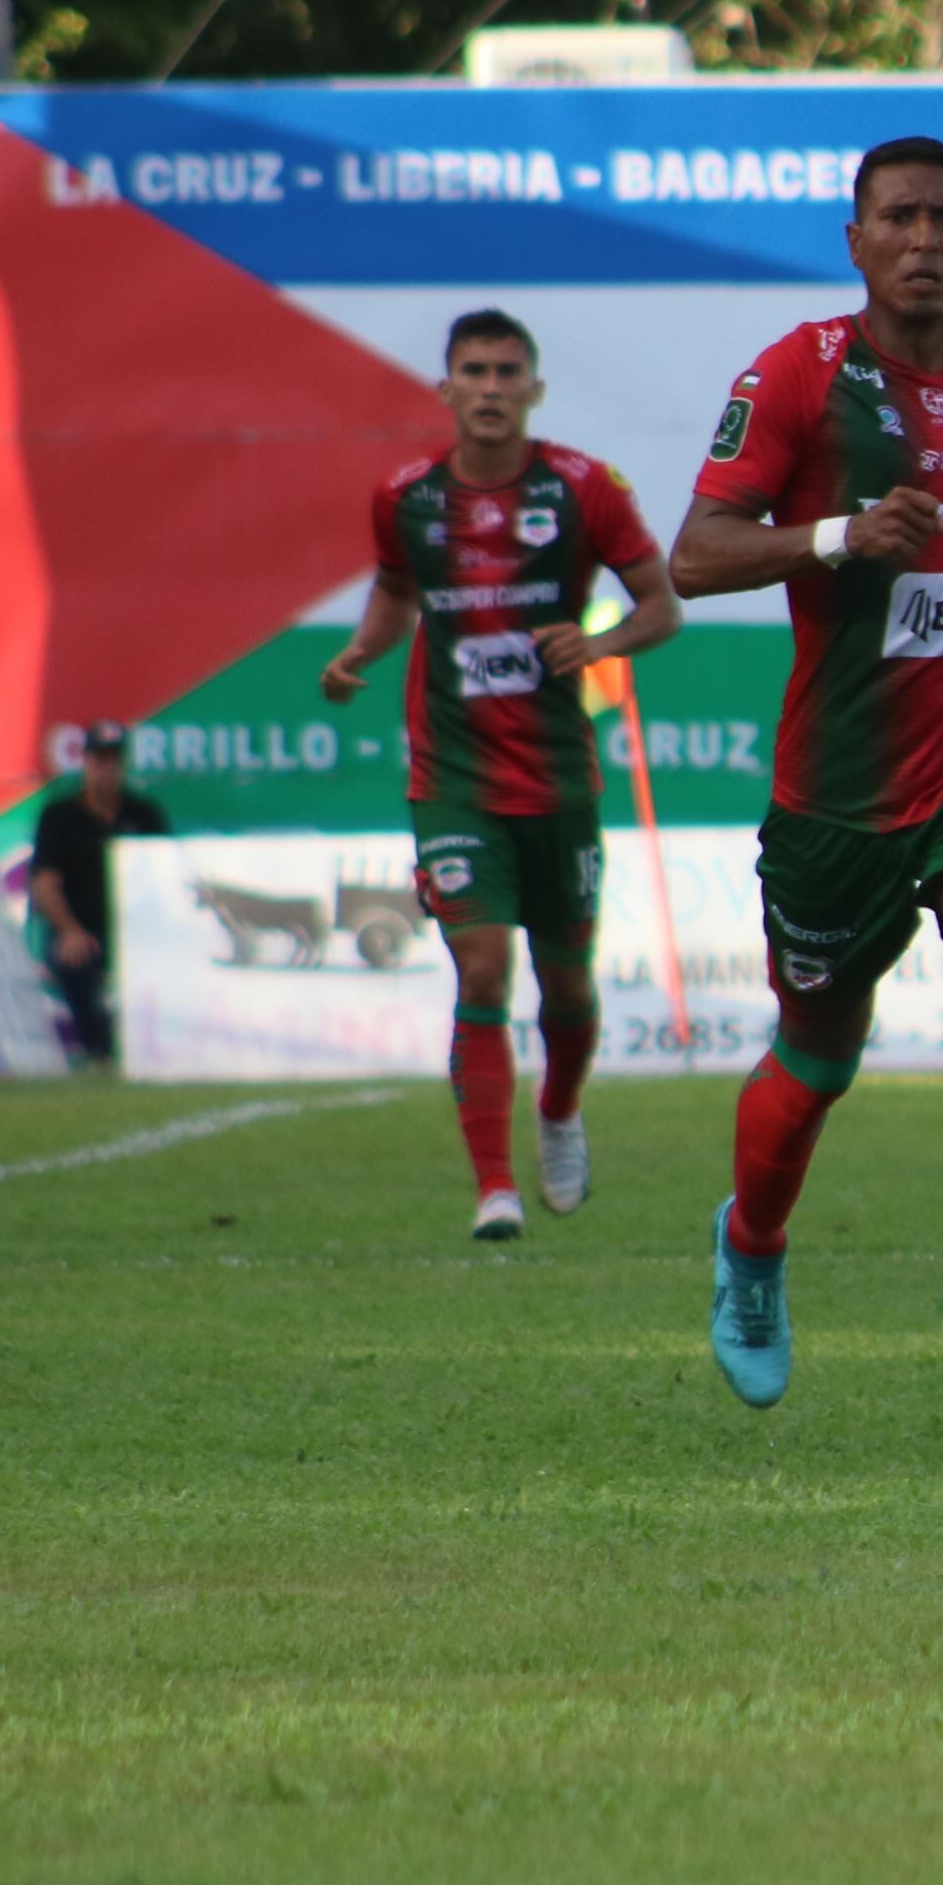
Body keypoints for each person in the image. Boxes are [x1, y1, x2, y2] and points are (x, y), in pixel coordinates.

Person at [672, 137, 943, 1424]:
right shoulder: (798, 377)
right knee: (815, 1054)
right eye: (897, 218)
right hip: (840, 779)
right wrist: (836, 535)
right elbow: (693, 556)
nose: (922, 239)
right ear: (855, 240)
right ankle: (751, 1247)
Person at [320, 310, 682, 1241]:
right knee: (483, 965)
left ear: (534, 390)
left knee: (567, 991)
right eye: (473, 371)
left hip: (559, 777)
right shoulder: (406, 497)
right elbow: (399, 589)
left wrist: (595, 640)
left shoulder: (582, 489)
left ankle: (558, 1111)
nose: (489, 386)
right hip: (455, 777)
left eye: (506, 370)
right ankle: (495, 1187)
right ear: (447, 390)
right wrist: (364, 651)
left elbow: (662, 608)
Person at [31, 725, 167, 1064]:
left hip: (137, 931)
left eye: (113, 760)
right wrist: (69, 930)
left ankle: (162, 1051)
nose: (107, 768)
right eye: (99, 759)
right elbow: (45, 882)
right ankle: (100, 1052)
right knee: (75, 961)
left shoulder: (145, 815)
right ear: (87, 761)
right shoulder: (59, 816)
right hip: (82, 929)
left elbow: (166, 876)